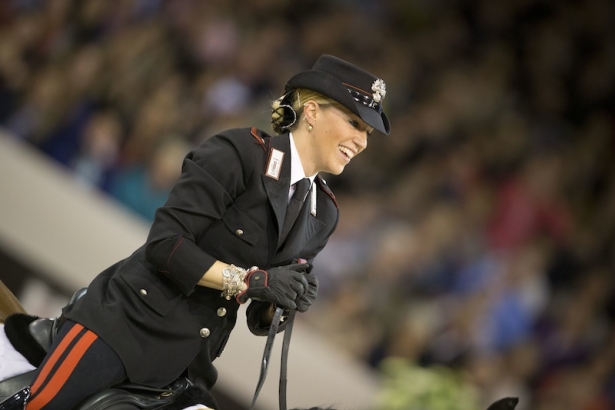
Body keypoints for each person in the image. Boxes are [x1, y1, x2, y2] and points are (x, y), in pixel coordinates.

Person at [13, 54, 391, 410]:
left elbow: (259, 313)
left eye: (369, 133)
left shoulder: (323, 213)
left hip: (190, 367)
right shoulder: (239, 152)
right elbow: (165, 246)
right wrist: (250, 280)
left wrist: (284, 300)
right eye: (355, 124)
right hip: (126, 329)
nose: (362, 141)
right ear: (311, 111)